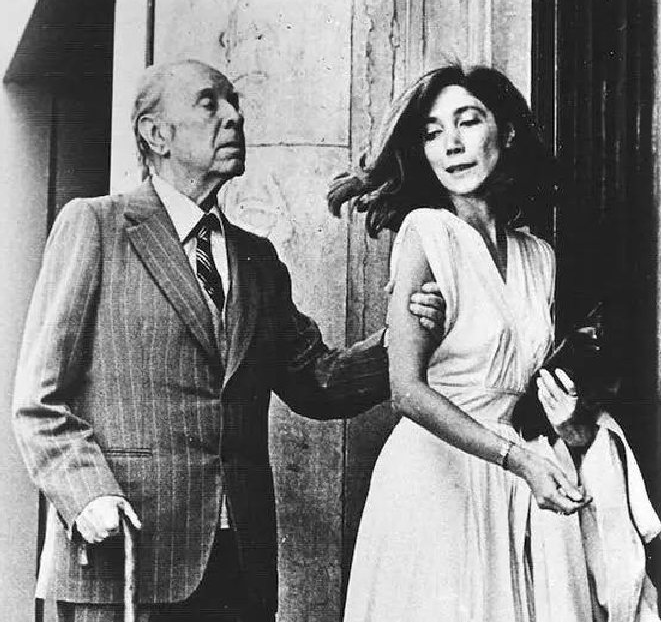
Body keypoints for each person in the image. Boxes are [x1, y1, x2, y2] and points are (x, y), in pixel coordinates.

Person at [12, 59, 446, 622]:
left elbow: (317, 383)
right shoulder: (97, 226)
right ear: (156, 134)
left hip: (237, 562)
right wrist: (87, 492)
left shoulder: (256, 258)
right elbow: (40, 404)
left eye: (235, 103)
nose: (234, 117)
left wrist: (405, 336)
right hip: (125, 556)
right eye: (209, 102)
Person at [328, 65, 660, 621]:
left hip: (517, 488)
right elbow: (406, 391)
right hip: (438, 480)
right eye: (433, 132)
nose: (452, 144)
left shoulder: (538, 257)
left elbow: (526, 384)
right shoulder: (426, 232)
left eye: (468, 121)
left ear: (505, 132)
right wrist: (516, 460)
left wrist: (570, 426)